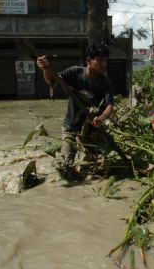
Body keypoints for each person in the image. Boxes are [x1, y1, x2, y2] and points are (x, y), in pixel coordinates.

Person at [36, 44, 115, 179]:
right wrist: (45, 68)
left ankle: (87, 158)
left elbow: (111, 106)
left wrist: (101, 118)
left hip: (92, 129)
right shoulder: (74, 73)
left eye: (105, 60)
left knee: (97, 165)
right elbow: (52, 80)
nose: (104, 63)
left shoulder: (104, 82)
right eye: (100, 60)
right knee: (64, 167)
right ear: (88, 60)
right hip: (71, 126)